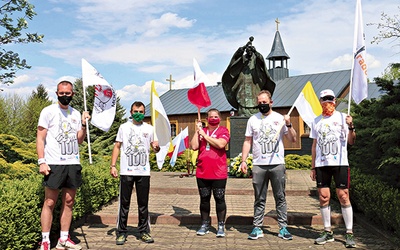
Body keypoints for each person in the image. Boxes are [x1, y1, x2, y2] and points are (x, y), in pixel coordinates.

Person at [37, 80, 91, 250]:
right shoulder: (48, 111)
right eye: (62, 93)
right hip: (54, 163)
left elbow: (80, 140)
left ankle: (64, 238)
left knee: (69, 201)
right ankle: (45, 240)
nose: (65, 96)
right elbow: (40, 138)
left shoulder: (76, 113)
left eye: (68, 93)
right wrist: (42, 161)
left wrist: (83, 123)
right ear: (57, 93)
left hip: (72, 162)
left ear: (73, 94)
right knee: (50, 202)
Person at [240, 90, 296, 240]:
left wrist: (289, 124)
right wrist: (243, 160)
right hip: (259, 164)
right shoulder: (253, 119)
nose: (262, 105)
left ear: (271, 102)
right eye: (259, 103)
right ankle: (257, 227)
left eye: (264, 102)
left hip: (277, 163)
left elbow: (293, 139)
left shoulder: (280, 118)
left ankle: (283, 227)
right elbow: (247, 141)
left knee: (280, 196)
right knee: (259, 197)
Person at [310, 89, 357, 248]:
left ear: (335, 101)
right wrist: (313, 166)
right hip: (322, 164)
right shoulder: (316, 121)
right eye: (324, 99)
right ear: (320, 101)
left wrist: (351, 127)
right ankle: (327, 231)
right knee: (323, 197)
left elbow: (351, 142)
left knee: (343, 196)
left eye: (330, 99)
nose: (327, 102)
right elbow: (314, 145)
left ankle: (349, 233)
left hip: (340, 163)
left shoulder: (344, 118)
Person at [110, 101, 160, 245]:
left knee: (143, 203)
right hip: (127, 171)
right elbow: (117, 146)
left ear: (145, 113)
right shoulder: (124, 127)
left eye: (141, 111)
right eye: (135, 111)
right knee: (124, 203)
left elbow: (154, 146)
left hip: (143, 172)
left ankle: (143, 231)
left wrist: (157, 148)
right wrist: (113, 165)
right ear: (131, 112)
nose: (138, 113)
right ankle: (121, 232)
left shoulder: (150, 128)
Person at [190, 108, 230, 237]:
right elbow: (194, 146)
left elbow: (220, 144)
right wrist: (198, 131)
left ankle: (221, 225)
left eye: (215, 116)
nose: (213, 118)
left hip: (218, 172)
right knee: (204, 199)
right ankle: (205, 224)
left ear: (219, 118)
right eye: (210, 117)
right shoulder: (202, 130)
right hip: (203, 171)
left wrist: (205, 136)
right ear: (207, 119)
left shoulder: (223, 131)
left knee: (219, 198)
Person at [222, 37, 276, 117]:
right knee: (242, 113)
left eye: (251, 50)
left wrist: (256, 52)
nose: (249, 52)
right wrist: (241, 50)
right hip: (242, 91)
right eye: (248, 50)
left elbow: (262, 63)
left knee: (257, 114)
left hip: (255, 88)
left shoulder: (256, 59)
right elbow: (233, 64)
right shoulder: (242, 59)